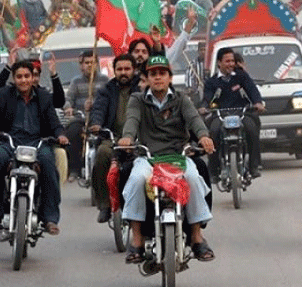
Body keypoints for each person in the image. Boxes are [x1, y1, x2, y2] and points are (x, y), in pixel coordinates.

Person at [118, 56, 216, 263]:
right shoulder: (137, 100)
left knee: (193, 178)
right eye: (153, 74)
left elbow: (194, 119)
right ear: (146, 78)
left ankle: (197, 237)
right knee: (135, 179)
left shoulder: (181, 99)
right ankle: (136, 240)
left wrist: (204, 136)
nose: (158, 78)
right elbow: (132, 120)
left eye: (162, 73)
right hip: (148, 158)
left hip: (178, 157)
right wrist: (127, 137)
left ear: (170, 77)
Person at [0, 60, 69, 235]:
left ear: (32, 77)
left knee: (49, 164)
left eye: (27, 76)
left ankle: (50, 218)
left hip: (38, 143)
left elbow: (55, 123)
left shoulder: (44, 96)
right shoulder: (3, 95)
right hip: (10, 143)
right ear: (14, 79)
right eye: (19, 77)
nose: (23, 80)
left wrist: (61, 135)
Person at [87, 53, 140, 223]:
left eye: (127, 69)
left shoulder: (142, 88)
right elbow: (98, 110)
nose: (123, 72)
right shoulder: (106, 90)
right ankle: (105, 204)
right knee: (102, 154)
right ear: (114, 70)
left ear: (134, 70)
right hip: (112, 137)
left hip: (139, 139)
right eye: (120, 69)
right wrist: (96, 124)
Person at [201, 47, 265, 181]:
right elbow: (207, 98)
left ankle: (254, 166)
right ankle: (213, 170)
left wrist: (258, 103)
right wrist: (203, 107)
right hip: (220, 115)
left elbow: (252, 90)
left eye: (232, 61)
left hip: (242, 113)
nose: (231, 64)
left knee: (252, 129)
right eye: (227, 61)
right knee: (213, 132)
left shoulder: (241, 77)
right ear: (219, 63)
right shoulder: (212, 82)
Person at [64, 50, 108, 180]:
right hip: (81, 118)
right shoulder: (76, 81)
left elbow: (110, 99)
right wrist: (68, 108)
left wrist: (95, 105)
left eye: (92, 62)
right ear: (82, 65)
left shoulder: (105, 81)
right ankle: (74, 169)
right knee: (72, 132)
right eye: (87, 63)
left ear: (97, 64)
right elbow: (68, 99)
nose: (89, 65)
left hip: (100, 119)